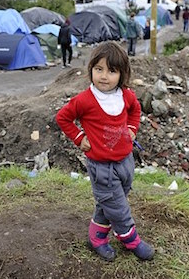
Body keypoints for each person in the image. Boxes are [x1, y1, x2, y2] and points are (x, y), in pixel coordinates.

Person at [55, 41, 155, 262]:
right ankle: (131, 240)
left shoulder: (126, 95)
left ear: (122, 74)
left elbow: (135, 110)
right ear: (91, 69)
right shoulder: (84, 100)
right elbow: (63, 117)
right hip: (102, 166)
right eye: (98, 69)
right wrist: (79, 138)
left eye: (112, 71)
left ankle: (97, 238)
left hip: (126, 161)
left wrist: (131, 128)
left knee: (109, 203)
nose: (104, 76)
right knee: (118, 208)